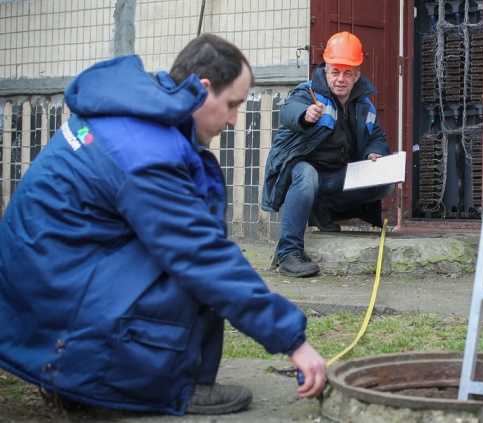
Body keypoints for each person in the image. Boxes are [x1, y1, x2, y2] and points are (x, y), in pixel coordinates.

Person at [0, 34, 326, 416]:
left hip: (39, 295)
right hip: (55, 300)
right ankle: (177, 385)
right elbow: (201, 255)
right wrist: (294, 341)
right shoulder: (147, 152)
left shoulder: (130, 112)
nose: (235, 118)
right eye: (233, 104)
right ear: (204, 89)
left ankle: (77, 376)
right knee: (194, 268)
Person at [262, 31, 394, 278]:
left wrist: (374, 152)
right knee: (307, 174)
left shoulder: (364, 105)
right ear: (326, 72)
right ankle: (288, 254)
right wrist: (305, 114)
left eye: (347, 73)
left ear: (357, 76)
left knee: (383, 183)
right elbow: (288, 111)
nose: (340, 79)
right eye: (335, 72)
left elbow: (377, 137)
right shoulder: (308, 93)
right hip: (300, 172)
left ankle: (322, 209)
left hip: (334, 177)